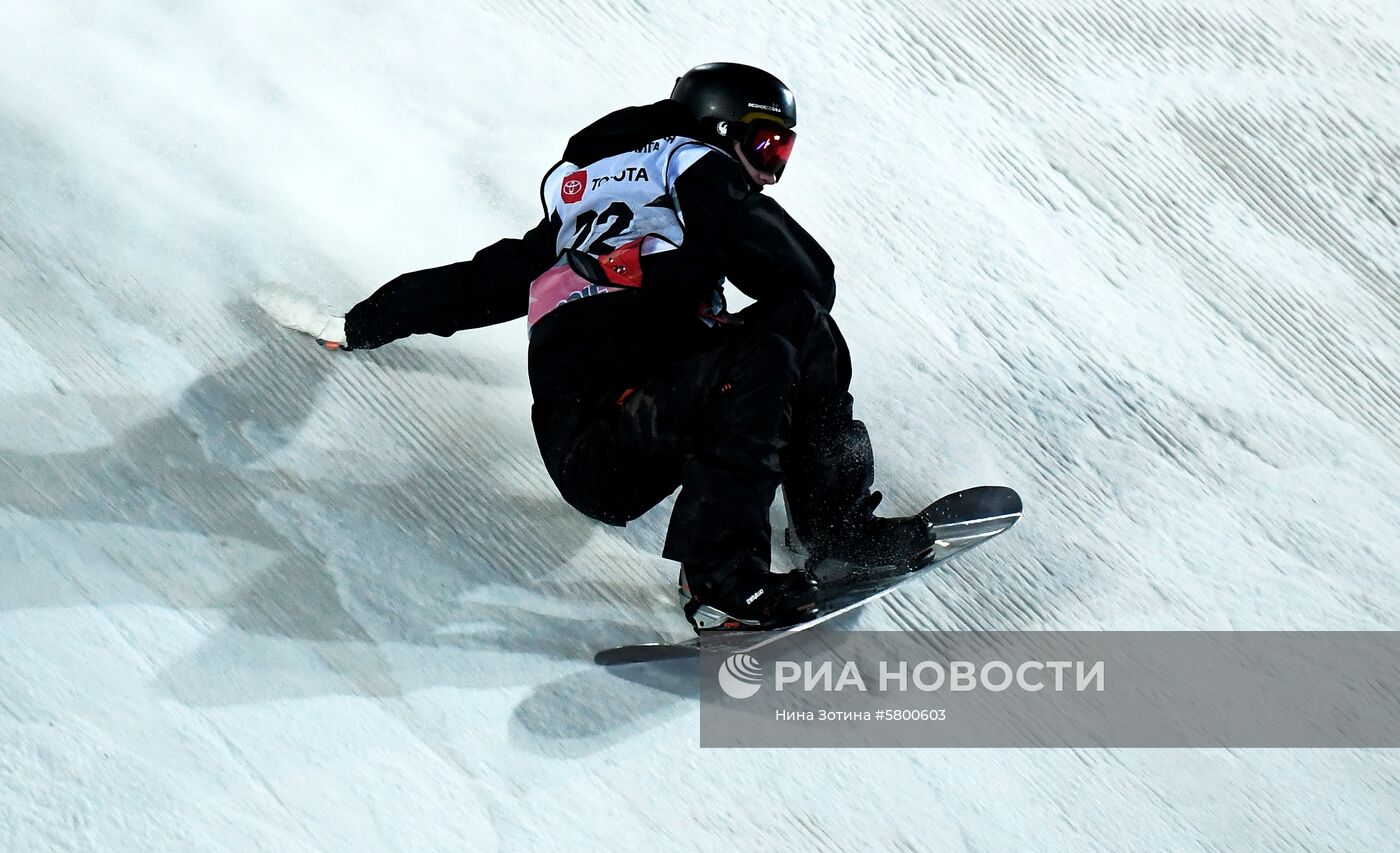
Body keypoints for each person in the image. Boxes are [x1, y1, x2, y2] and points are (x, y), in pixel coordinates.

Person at [300, 63, 939, 632]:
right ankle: (719, 585)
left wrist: (357, 324)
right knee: (779, 338)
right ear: (718, 132)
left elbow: (466, 289)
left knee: (789, 329)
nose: (769, 171)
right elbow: (811, 276)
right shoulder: (697, 171)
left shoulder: (572, 228)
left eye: (783, 152)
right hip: (607, 439)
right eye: (763, 146)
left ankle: (828, 530)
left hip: (610, 438)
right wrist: (721, 216)